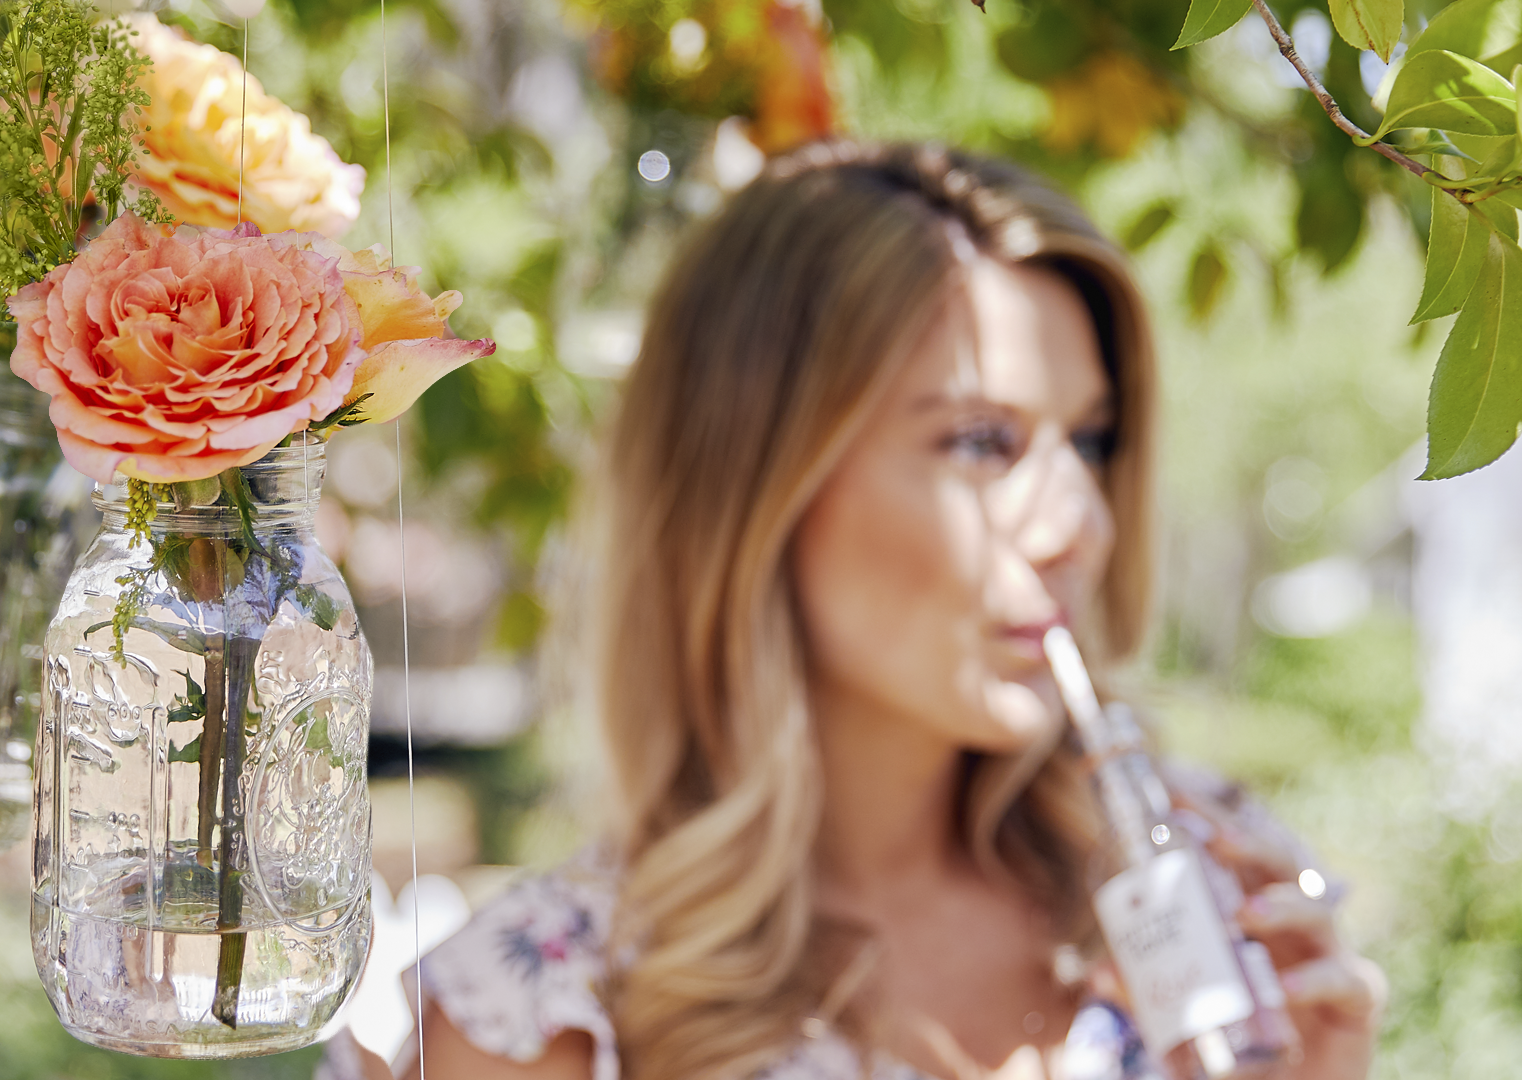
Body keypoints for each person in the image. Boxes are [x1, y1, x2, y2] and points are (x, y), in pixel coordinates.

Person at [322, 142, 1384, 1080]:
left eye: (1092, 442)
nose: (1080, 524)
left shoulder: (1218, 897)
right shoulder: (535, 1010)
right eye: (981, 441)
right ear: (759, 486)